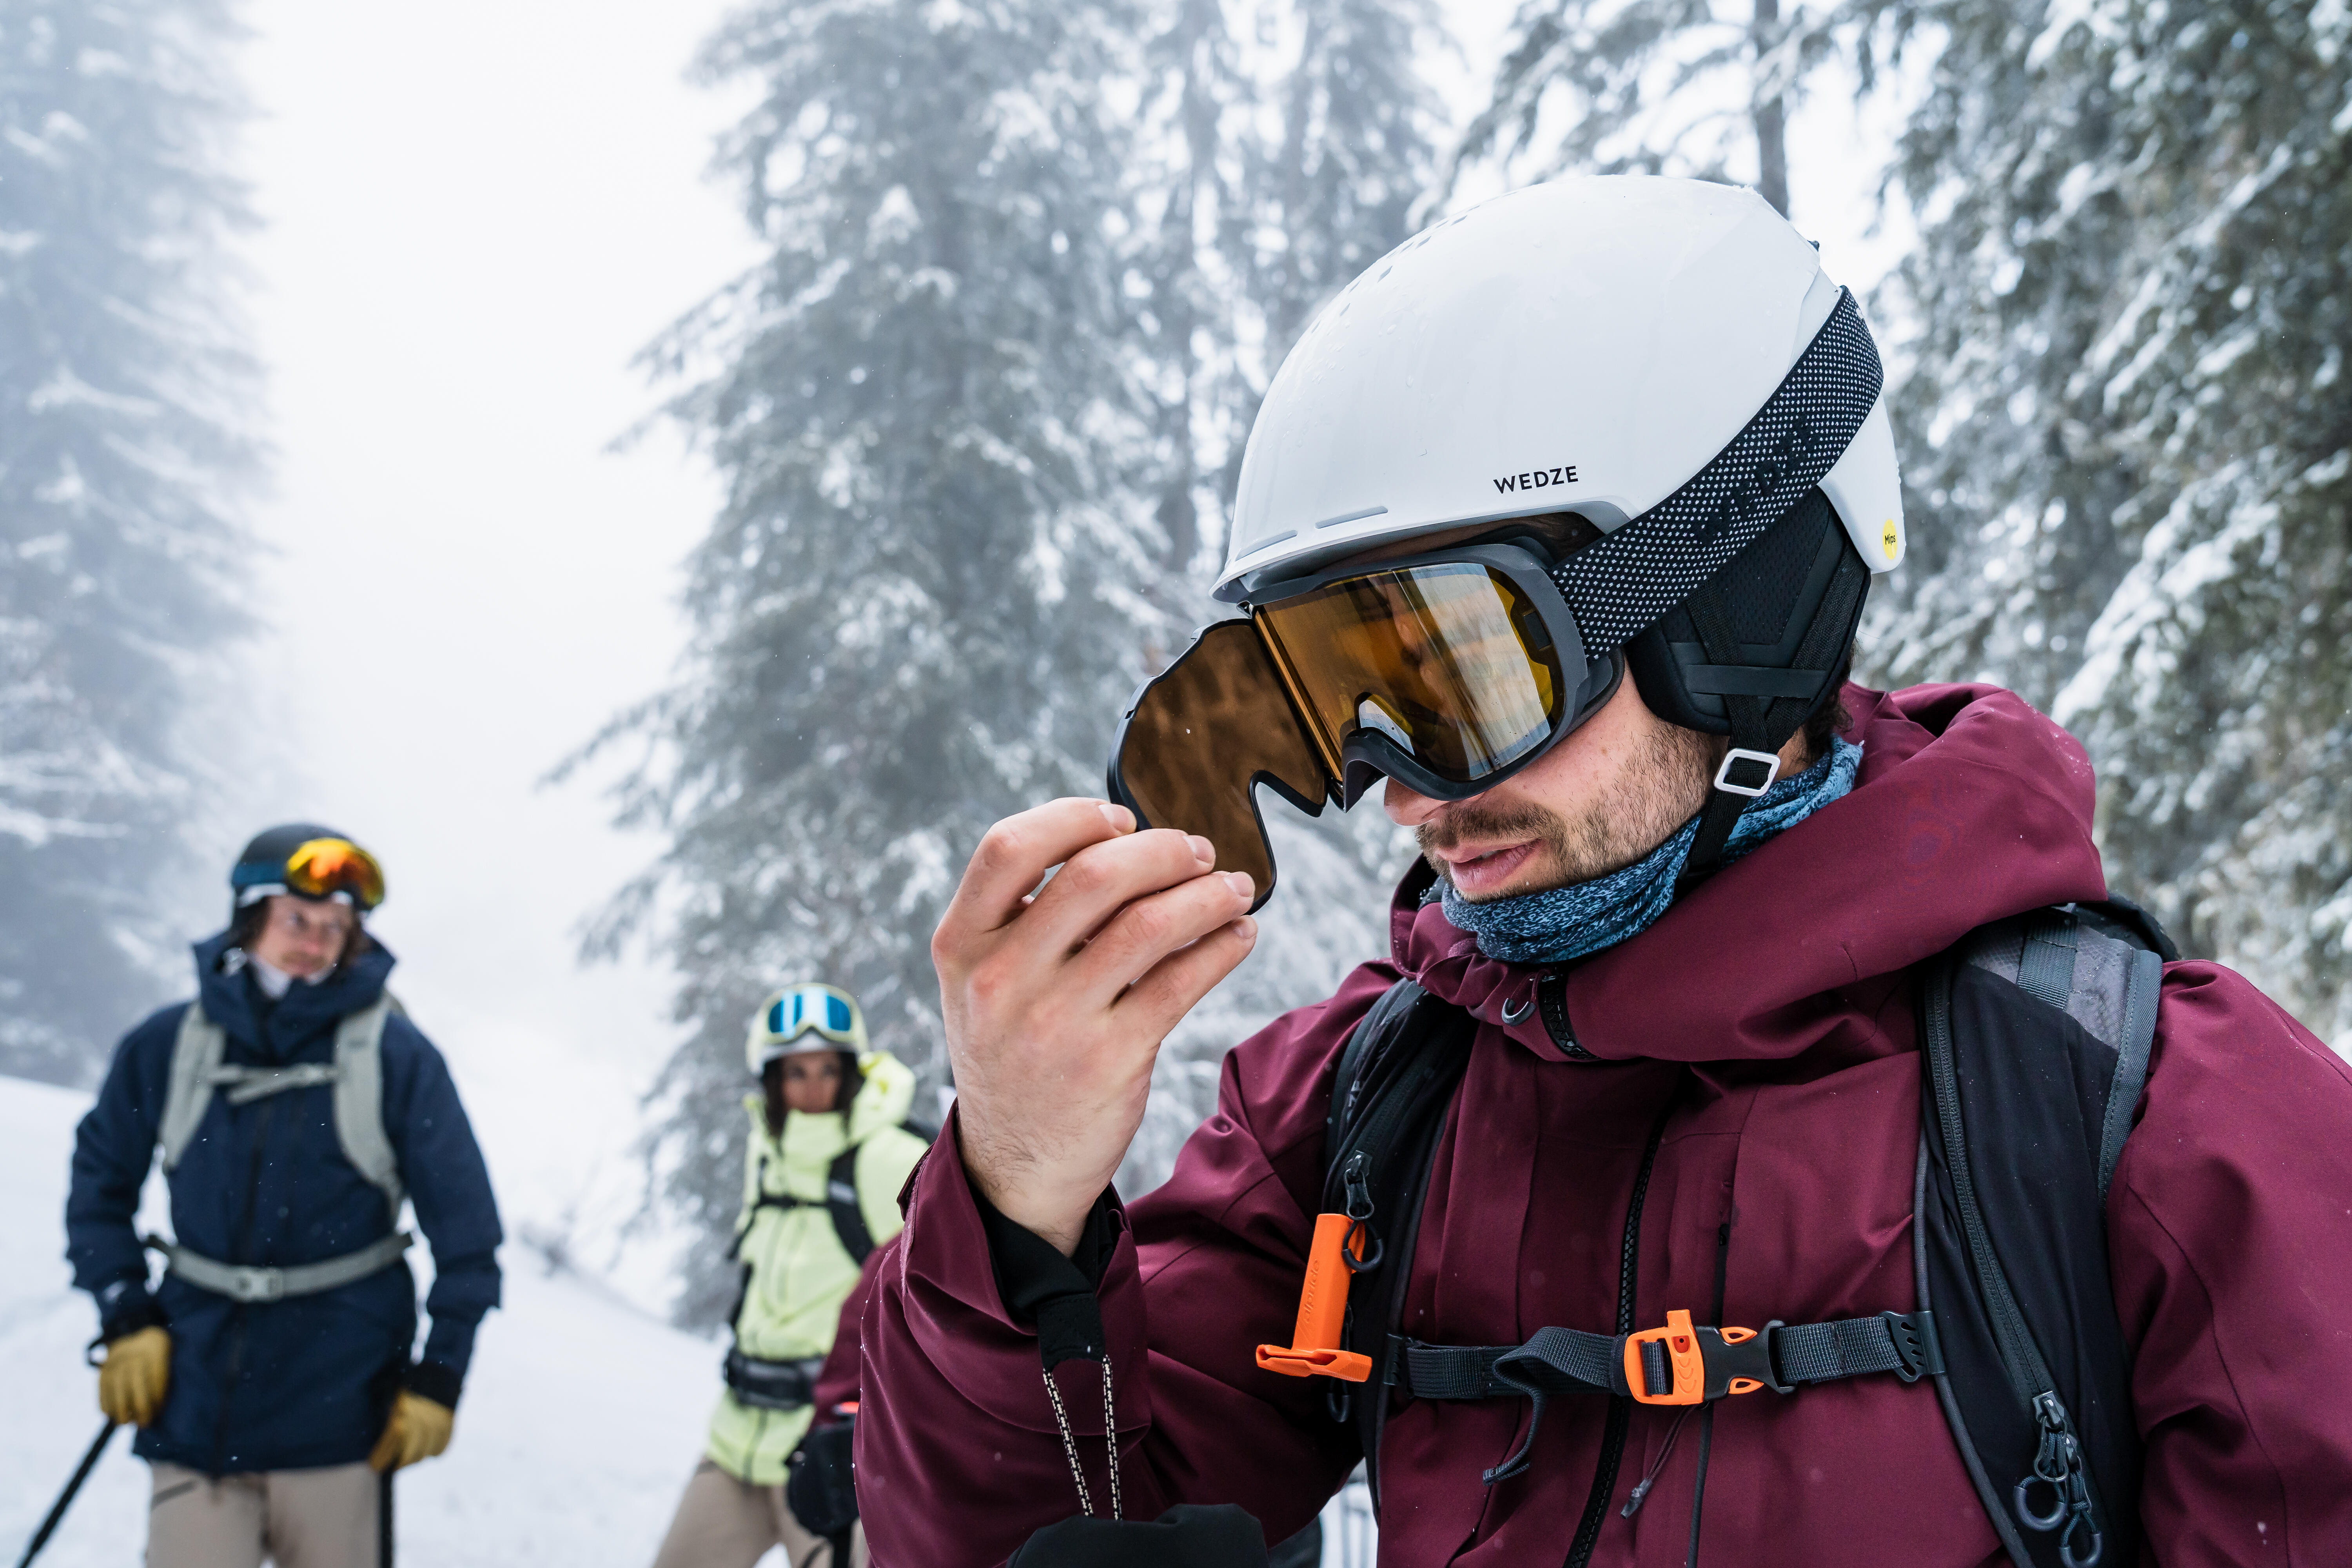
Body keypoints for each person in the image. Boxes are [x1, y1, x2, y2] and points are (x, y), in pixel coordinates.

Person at [849, 177, 2352, 1565]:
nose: (1409, 801)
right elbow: (1041, 1532)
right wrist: (1021, 1193)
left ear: (1742, 606)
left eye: (1470, 679)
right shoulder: (1366, 1109)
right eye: (1333, 698)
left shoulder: (2144, 1119)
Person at [66, 823, 503, 1568]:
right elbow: (100, 1186)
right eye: (297, 918)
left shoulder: (398, 1058)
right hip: (196, 1408)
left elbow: (469, 1241)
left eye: (337, 926)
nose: (317, 940)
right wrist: (126, 1309)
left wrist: (440, 1376)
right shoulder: (169, 1045)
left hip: (340, 1422)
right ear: (248, 915)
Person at [650, 982, 929, 1568]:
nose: (812, 1088)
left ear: (851, 1072)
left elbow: (936, 1299)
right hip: (737, 1440)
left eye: (828, 1069)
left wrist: (861, 1424)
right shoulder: (767, 1154)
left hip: (830, 1449)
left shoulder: (888, 1158)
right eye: (794, 1073)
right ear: (770, 1081)